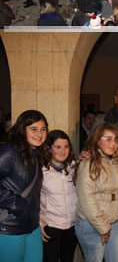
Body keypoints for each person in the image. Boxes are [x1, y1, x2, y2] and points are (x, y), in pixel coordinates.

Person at [0, 108, 48, 262]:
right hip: (10, 226)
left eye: (43, 129)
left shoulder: (35, 154)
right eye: (33, 129)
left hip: (32, 226)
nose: (39, 134)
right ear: (22, 129)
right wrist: (17, 203)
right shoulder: (9, 152)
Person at [74, 122, 118, 262]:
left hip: (113, 222)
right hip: (91, 223)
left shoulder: (116, 163)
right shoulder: (87, 164)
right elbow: (87, 200)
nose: (113, 143)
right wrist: (103, 227)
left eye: (116, 140)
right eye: (108, 139)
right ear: (97, 141)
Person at [40, 130, 77, 262]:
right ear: (49, 149)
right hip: (51, 227)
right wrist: (39, 222)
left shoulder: (73, 168)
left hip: (72, 227)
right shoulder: (41, 171)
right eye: (58, 147)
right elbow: (33, 200)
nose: (62, 151)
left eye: (66, 147)